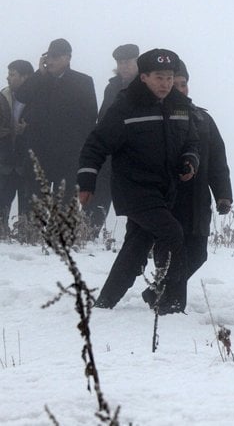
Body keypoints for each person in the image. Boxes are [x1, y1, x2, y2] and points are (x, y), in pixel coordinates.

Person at [77, 48, 199, 314]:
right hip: (133, 189)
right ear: (143, 77)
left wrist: (190, 160)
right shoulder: (126, 106)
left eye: (169, 77)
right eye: (159, 77)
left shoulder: (179, 105)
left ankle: (105, 302)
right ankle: (169, 296)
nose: (165, 83)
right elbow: (96, 144)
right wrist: (87, 181)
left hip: (165, 189)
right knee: (172, 232)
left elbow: (191, 141)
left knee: (136, 246)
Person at [140, 59, 233, 306]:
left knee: (198, 254)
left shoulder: (203, 118)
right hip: (169, 199)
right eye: (176, 84)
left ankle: (158, 291)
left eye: (184, 84)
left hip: (198, 199)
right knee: (169, 253)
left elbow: (217, 160)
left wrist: (223, 194)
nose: (181, 89)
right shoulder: (154, 116)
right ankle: (170, 303)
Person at [15, 38, 97, 205]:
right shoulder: (40, 80)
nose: (51, 61)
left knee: (62, 212)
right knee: (34, 211)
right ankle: (31, 232)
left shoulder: (82, 81)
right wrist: (39, 73)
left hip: (67, 158)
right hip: (39, 156)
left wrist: (77, 145)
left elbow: (90, 116)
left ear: (67, 58)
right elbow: (21, 95)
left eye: (56, 57)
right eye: (49, 56)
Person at [89, 43, 141, 236]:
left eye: (127, 62)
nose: (123, 66)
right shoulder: (112, 87)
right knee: (100, 193)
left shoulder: (146, 86)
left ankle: (137, 237)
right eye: (120, 62)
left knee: (136, 198)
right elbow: (102, 118)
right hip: (110, 153)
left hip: (135, 153)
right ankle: (88, 232)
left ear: (137, 62)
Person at [0, 60, 34, 235]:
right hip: (5, 159)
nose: (8, 77)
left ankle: (25, 235)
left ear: (25, 77)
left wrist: (28, 130)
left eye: (13, 74)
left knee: (27, 202)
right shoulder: (3, 96)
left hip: (27, 160)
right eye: (9, 73)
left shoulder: (37, 98)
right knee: (2, 199)